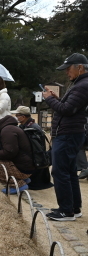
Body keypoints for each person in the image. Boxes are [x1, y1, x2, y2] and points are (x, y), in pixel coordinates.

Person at [42, 53, 88, 221]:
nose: (67, 73)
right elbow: (70, 106)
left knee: (60, 171)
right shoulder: (79, 83)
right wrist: (57, 99)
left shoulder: (82, 85)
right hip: (71, 133)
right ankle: (74, 208)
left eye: (68, 69)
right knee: (69, 172)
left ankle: (66, 210)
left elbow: (67, 110)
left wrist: (49, 100)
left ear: (80, 68)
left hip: (68, 134)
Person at [0, 116, 35, 194]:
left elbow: (9, 152)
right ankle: (21, 179)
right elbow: (12, 148)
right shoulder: (8, 128)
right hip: (25, 165)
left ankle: (17, 185)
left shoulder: (7, 131)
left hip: (24, 168)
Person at [12, 106, 54, 190]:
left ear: (23, 117)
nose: (16, 117)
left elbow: (36, 149)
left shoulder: (32, 128)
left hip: (37, 160)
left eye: (17, 115)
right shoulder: (27, 125)